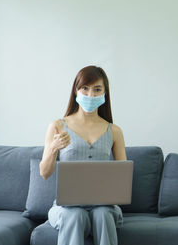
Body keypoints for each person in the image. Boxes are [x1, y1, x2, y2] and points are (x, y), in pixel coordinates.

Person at [40, 65, 127, 245]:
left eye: (97, 89)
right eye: (85, 88)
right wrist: (53, 148)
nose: (90, 95)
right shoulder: (58, 126)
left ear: (105, 93)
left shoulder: (114, 131)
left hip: (104, 207)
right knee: (74, 216)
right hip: (66, 208)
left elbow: (123, 177)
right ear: (76, 91)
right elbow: (44, 172)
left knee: (102, 214)